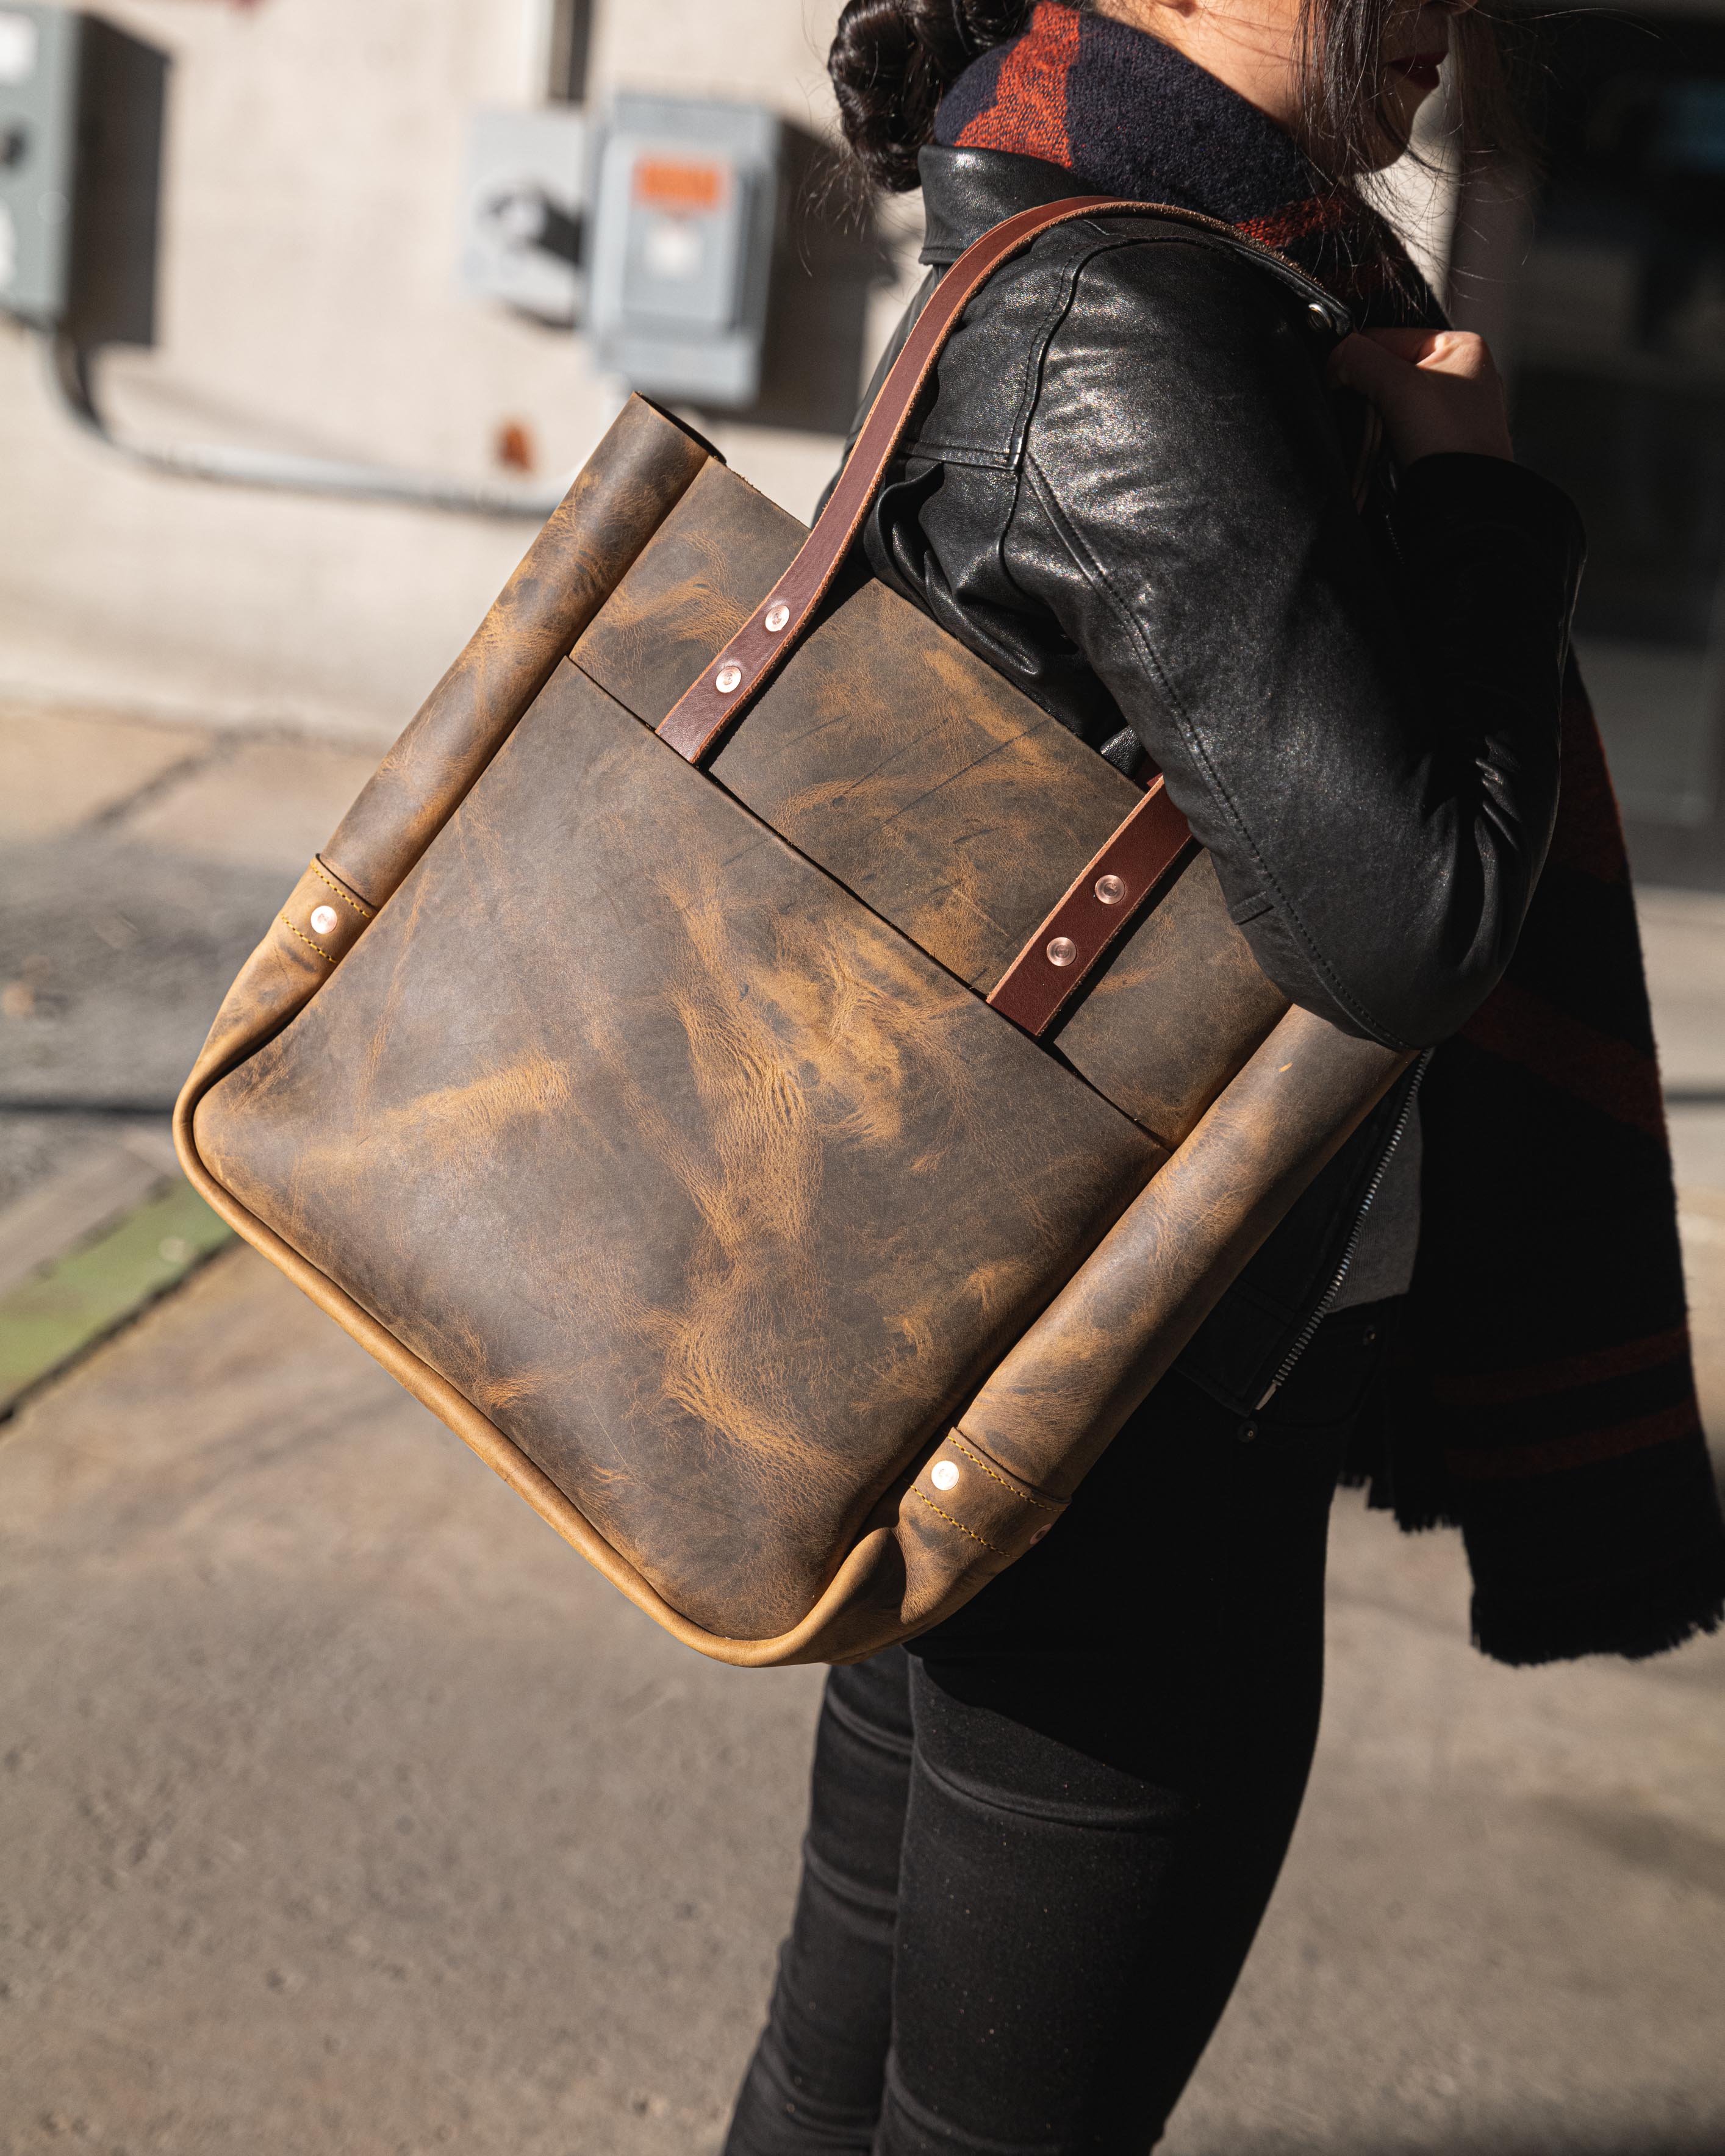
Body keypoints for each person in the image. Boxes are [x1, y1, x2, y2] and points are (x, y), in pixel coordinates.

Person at [723, 1, 1725, 2148]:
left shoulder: (1158, 263)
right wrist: (1476, 509)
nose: (1448, 36)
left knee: (842, 2080)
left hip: (1013, 1334)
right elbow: (1408, 923)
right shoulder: (1130, 316)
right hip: (1139, 1419)